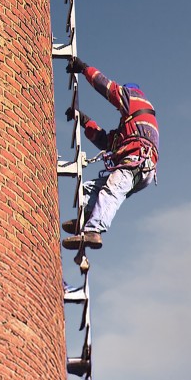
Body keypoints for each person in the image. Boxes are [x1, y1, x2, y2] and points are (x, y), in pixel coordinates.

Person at [61, 56, 159, 250]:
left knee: (111, 191)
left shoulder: (134, 99)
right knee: (89, 189)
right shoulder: (130, 127)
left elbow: (108, 88)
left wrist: (84, 69)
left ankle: (94, 230)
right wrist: (85, 121)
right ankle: (89, 217)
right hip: (138, 164)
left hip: (137, 161)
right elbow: (106, 142)